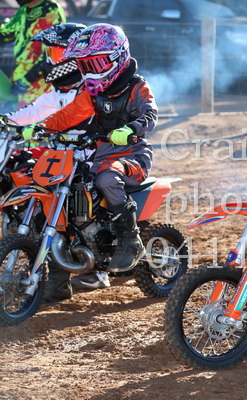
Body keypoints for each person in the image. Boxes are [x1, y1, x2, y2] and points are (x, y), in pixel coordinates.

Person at [23, 23, 157, 303]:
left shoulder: (136, 86)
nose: (91, 72)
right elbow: (68, 115)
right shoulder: (92, 93)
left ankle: (130, 238)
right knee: (63, 192)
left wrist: (131, 129)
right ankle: (59, 279)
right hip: (99, 155)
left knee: (107, 178)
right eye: (85, 66)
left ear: (117, 57)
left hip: (132, 156)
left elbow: (150, 115)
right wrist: (40, 128)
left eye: (95, 64)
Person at [5, 22, 112, 293]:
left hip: (94, 154)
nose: (52, 60)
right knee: (43, 199)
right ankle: (56, 272)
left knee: (84, 203)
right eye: (51, 54)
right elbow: (31, 112)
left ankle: (100, 268)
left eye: (58, 53)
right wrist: (5, 121)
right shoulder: (59, 91)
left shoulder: (93, 87)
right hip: (63, 157)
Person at [0, 0, 66, 108]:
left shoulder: (50, 9)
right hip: (19, 77)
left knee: (30, 116)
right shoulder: (23, 9)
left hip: (40, 82)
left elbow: (51, 51)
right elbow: (7, 33)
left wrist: (28, 79)